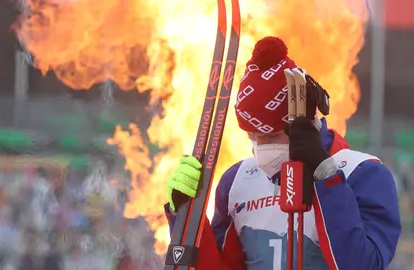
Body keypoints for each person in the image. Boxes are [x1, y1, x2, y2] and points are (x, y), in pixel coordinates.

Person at [164, 36, 401, 270]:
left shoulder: (364, 172)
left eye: (270, 136)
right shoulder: (236, 181)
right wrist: (185, 215)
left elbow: (363, 265)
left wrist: (324, 176)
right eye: (252, 137)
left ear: (303, 124)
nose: (260, 147)